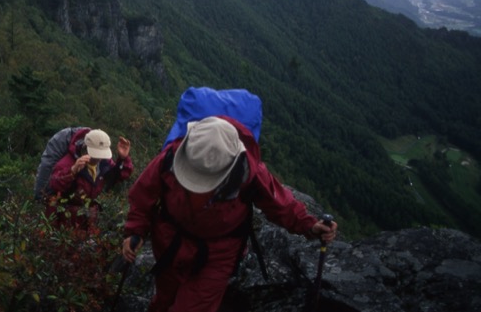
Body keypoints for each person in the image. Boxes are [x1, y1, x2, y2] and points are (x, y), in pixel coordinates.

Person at [121, 115, 337, 312]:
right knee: (164, 299)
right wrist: (135, 230)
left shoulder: (250, 172)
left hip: (218, 255)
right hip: (170, 243)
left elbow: (278, 203)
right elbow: (143, 194)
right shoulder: (173, 156)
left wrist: (309, 225)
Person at [45, 128, 133, 230]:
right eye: (97, 154)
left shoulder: (104, 163)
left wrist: (123, 159)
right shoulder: (69, 162)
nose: (99, 158)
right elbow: (54, 184)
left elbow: (119, 176)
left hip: (88, 219)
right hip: (66, 221)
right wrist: (72, 171)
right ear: (85, 148)